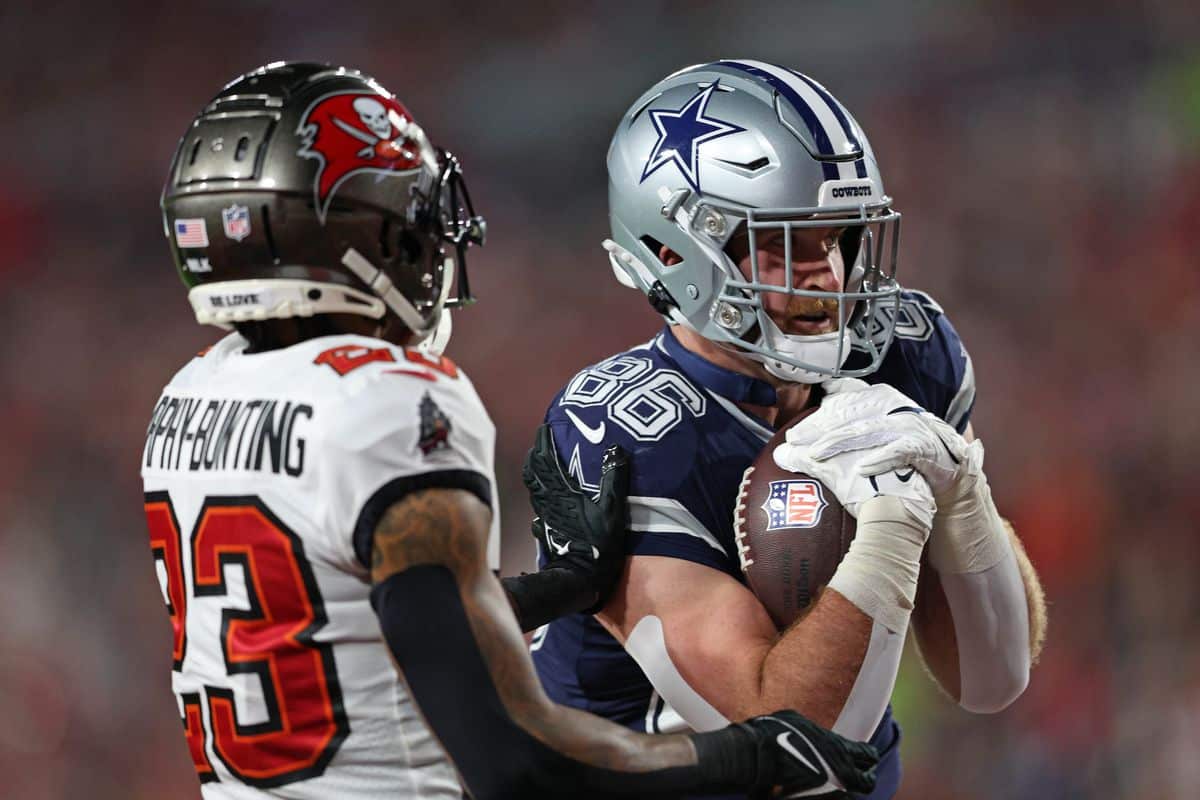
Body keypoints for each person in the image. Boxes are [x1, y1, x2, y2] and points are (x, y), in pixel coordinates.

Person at [142, 61, 880, 799]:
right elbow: (517, 762)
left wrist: (559, 588)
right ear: (366, 237)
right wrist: (745, 752)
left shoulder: (191, 396)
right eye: (416, 218)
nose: (434, 240)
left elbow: (360, 622)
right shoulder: (387, 400)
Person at [529, 60, 1048, 799]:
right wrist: (894, 520)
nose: (827, 276)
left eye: (835, 238)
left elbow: (993, 677)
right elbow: (792, 747)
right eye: (784, 244)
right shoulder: (622, 432)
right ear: (675, 251)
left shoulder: (903, 353)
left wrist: (962, 491)